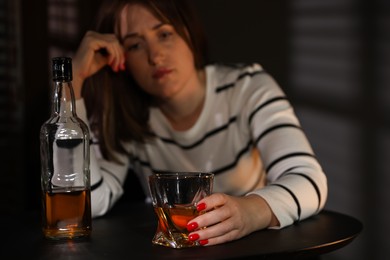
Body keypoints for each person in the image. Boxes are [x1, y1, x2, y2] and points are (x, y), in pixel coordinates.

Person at [72, 0, 327, 246]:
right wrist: (72, 83)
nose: (155, 56)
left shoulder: (247, 88)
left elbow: (309, 180)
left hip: (255, 252)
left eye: (164, 34)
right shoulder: (127, 116)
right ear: (120, 59)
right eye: (135, 45)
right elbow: (90, 203)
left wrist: (248, 211)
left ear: (189, 32)